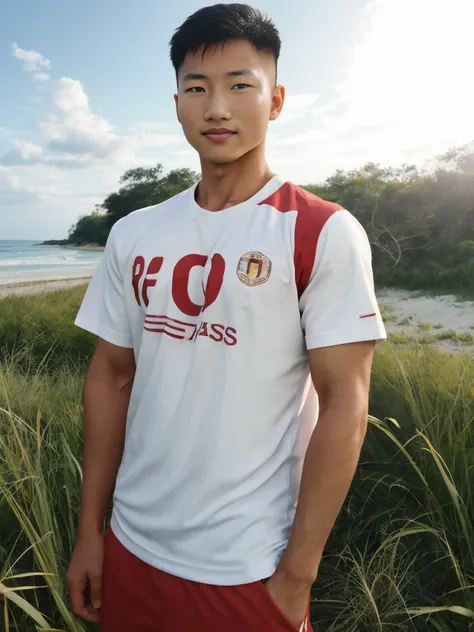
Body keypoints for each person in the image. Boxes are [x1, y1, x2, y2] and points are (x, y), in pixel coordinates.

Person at [66, 4, 387, 631]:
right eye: (197, 88)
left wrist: (297, 576)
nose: (217, 107)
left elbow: (346, 406)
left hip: (247, 568)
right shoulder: (135, 233)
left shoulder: (320, 231)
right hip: (130, 547)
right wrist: (90, 532)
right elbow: (109, 376)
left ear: (276, 100)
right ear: (177, 102)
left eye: (241, 85)